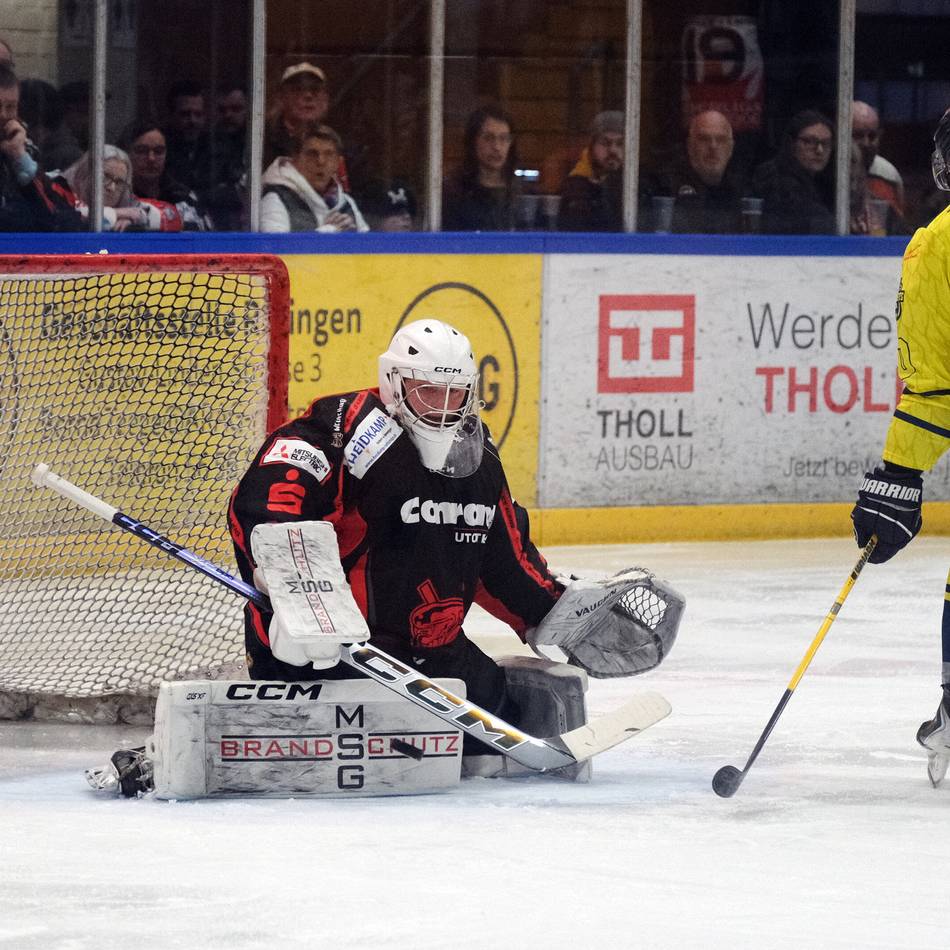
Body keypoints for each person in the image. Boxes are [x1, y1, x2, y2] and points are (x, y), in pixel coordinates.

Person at [228, 319, 565, 720]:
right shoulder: (342, 426)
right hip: (334, 653)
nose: (443, 405)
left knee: (501, 719)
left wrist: (559, 614)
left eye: (455, 392)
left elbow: (502, 562)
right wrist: (296, 600)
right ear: (394, 382)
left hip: (433, 653)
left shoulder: (478, 458)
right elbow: (273, 499)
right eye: (429, 391)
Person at [849, 106, 950, 787]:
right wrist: (900, 473)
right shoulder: (938, 249)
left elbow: (934, 383)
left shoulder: (936, 248)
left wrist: (901, 473)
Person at [0, 64, 82, 231]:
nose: (3, 115)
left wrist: (21, 159)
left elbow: (59, 217)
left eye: (10, 107)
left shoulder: (23, 151)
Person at [642, 110, 747, 234]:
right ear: (690, 146)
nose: (713, 146)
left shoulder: (742, 191)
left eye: (720, 139)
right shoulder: (664, 187)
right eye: (704, 139)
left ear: (731, 149)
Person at [260, 121, 367, 232]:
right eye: (312, 154)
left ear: (338, 162)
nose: (321, 161)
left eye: (329, 154)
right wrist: (328, 231)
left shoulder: (347, 203)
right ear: (295, 159)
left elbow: (370, 247)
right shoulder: (276, 198)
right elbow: (273, 247)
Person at [61, 145, 182, 231]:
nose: (112, 188)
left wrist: (138, 219)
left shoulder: (126, 201)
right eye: (105, 177)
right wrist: (118, 214)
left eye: (119, 182)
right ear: (85, 172)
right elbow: (70, 215)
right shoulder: (59, 189)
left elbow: (172, 216)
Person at [752, 109, 836, 235]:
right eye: (809, 142)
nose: (819, 150)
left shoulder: (826, 184)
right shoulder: (773, 179)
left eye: (826, 143)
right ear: (791, 143)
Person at [119, 119, 210, 231]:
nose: (151, 158)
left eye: (158, 151)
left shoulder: (182, 197)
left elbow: (202, 241)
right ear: (125, 153)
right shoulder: (116, 196)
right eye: (142, 151)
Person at [442, 106, 521, 231]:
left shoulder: (520, 192)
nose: (497, 147)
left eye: (504, 138)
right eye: (488, 138)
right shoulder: (453, 193)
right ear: (473, 141)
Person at [557, 110, 624, 232]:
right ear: (591, 146)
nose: (613, 150)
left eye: (620, 143)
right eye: (605, 143)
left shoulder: (636, 184)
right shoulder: (575, 186)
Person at [264, 62, 331, 170]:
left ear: (325, 99)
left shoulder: (334, 141)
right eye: (298, 89)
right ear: (281, 98)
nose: (308, 96)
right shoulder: (263, 140)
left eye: (315, 90)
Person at [852, 100, 904, 217]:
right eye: (857, 135)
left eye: (872, 136)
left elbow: (897, 226)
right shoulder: (830, 172)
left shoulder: (888, 174)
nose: (866, 143)